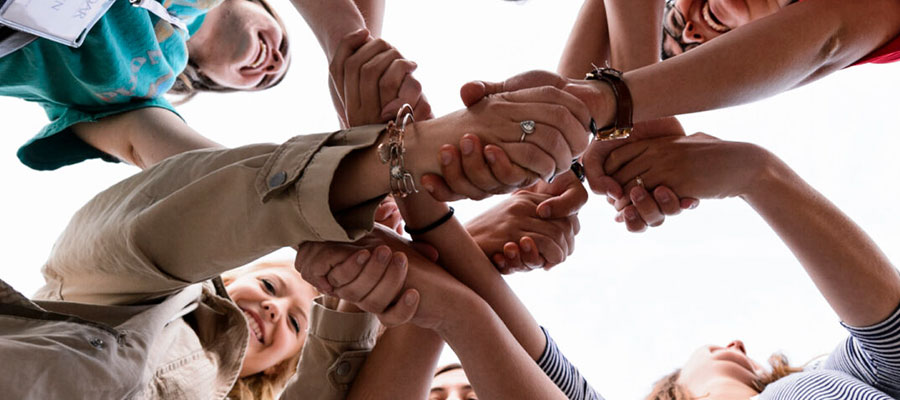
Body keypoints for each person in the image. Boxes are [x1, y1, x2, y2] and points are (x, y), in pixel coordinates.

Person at [0, 62, 592, 397]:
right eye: (277, 289)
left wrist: (418, 242)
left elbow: (341, 367)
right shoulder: (169, 286)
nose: (273, 309)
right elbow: (168, 194)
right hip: (86, 323)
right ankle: (380, 166)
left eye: (292, 324)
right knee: (154, 260)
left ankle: (379, 168)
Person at [303, 127, 900, 399]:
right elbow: (514, 340)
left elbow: (888, 337)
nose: (738, 341)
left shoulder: (833, 378)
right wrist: (408, 174)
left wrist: (757, 172)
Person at [1, 0, 290, 171]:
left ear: (209, 79)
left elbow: (187, 158)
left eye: (264, 80)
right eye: (284, 47)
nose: (274, 63)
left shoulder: (142, 91)